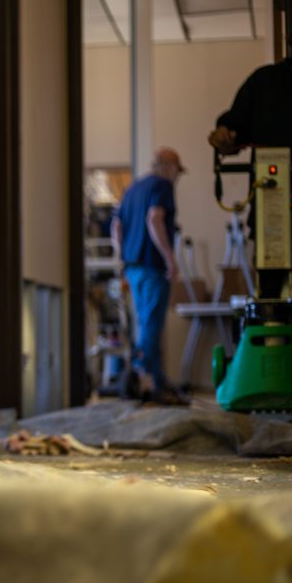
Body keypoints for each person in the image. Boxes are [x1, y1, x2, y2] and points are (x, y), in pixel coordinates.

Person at [208, 0, 292, 351]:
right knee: (275, 309)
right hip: (270, 222)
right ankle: (280, 384)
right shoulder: (265, 83)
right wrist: (224, 137)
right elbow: (232, 131)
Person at [111, 147, 187, 405]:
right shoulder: (163, 186)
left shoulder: (132, 189)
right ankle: (143, 380)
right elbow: (155, 218)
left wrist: (121, 256)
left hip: (133, 267)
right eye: (177, 170)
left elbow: (117, 226)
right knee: (152, 326)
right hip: (153, 266)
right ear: (169, 166)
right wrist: (170, 258)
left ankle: (154, 384)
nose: (177, 176)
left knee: (144, 324)